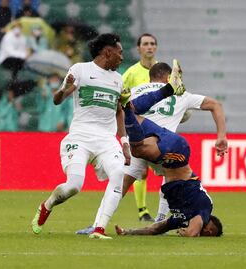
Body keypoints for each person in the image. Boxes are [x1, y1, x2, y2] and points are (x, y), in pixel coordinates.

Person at [76, 61, 228, 234]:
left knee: (119, 185)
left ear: (150, 78)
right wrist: (221, 136)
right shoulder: (182, 94)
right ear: (169, 78)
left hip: (140, 141)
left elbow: (116, 115)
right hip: (166, 147)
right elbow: (216, 105)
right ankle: (161, 219)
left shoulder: (136, 90)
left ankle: (97, 224)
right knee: (171, 179)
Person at [31, 33, 133, 239]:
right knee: (74, 186)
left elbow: (119, 110)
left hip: (106, 140)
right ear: (108, 52)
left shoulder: (118, 79)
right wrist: (66, 90)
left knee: (118, 175)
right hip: (80, 137)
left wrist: (124, 142)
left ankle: (98, 228)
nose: (121, 57)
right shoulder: (80, 70)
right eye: (119, 53)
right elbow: (57, 100)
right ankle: (47, 205)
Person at [116, 67, 226, 237]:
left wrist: (128, 232)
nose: (206, 232)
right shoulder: (203, 208)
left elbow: (156, 229)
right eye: (209, 232)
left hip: (160, 141)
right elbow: (193, 231)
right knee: (136, 142)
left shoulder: (181, 217)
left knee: (135, 149)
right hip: (173, 147)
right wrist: (221, 136)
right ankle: (129, 105)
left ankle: (98, 223)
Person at [122, 33, 158, 221]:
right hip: (137, 128)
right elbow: (120, 98)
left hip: (160, 128)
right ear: (138, 48)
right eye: (145, 44)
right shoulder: (130, 74)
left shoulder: (163, 71)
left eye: (152, 44)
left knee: (169, 170)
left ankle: (165, 215)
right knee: (141, 171)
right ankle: (143, 210)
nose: (149, 47)